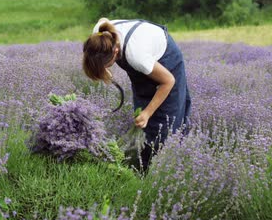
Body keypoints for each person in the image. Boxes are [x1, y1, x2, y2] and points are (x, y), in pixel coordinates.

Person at [82, 18, 191, 170]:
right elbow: (103, 20)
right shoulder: (99, 35)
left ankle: (166, 167)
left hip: (166, 60)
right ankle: (143, 162)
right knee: (142, 117)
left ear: (115, 52)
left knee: (167, 121)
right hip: (143, 56)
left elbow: (168, 82)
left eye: (108, 65)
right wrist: (103, 68)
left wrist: (147, 113)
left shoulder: (137, 55)